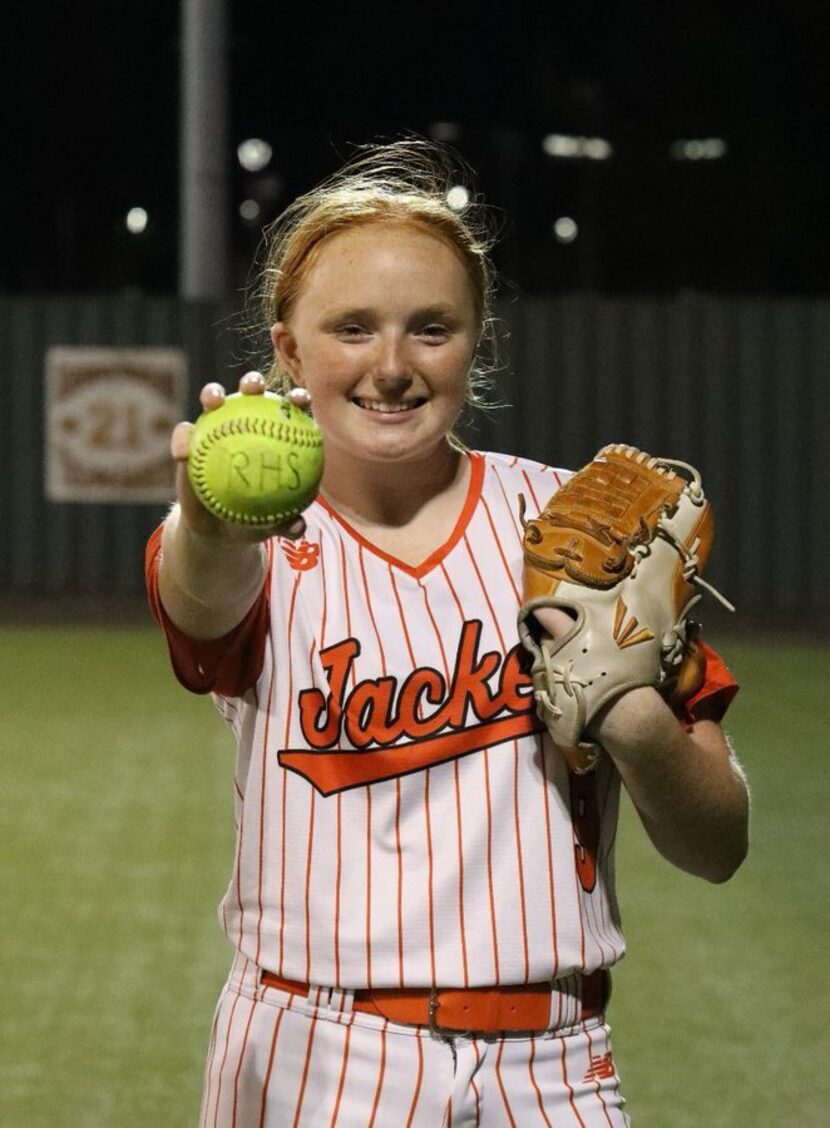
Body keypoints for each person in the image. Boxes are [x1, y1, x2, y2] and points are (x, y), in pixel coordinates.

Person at [146, 140, 749, 1126]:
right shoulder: (256, 542)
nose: (390, 366)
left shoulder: (579, 524)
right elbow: (200, 590)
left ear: (476, 339)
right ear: (288, 349)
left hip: (552, 1064)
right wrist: (209, 521)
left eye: (430, 328)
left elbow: (715, 844)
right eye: (351, 328)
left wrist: (629, 712)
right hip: (311, 1054)